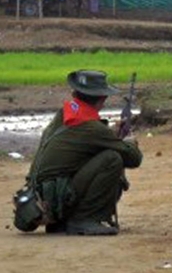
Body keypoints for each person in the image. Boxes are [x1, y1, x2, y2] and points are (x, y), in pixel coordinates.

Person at [16, 70, 142, 235]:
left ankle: (65, 222)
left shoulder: (65, 114)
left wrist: (110, 134)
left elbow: (81, 143)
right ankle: (84, 219)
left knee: (105, 154)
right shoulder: (92, 128)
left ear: (75, 94)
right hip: (55, 197)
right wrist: (128, 142)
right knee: (112, 159)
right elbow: (134, 158)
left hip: (41, 195)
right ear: (103, 98)